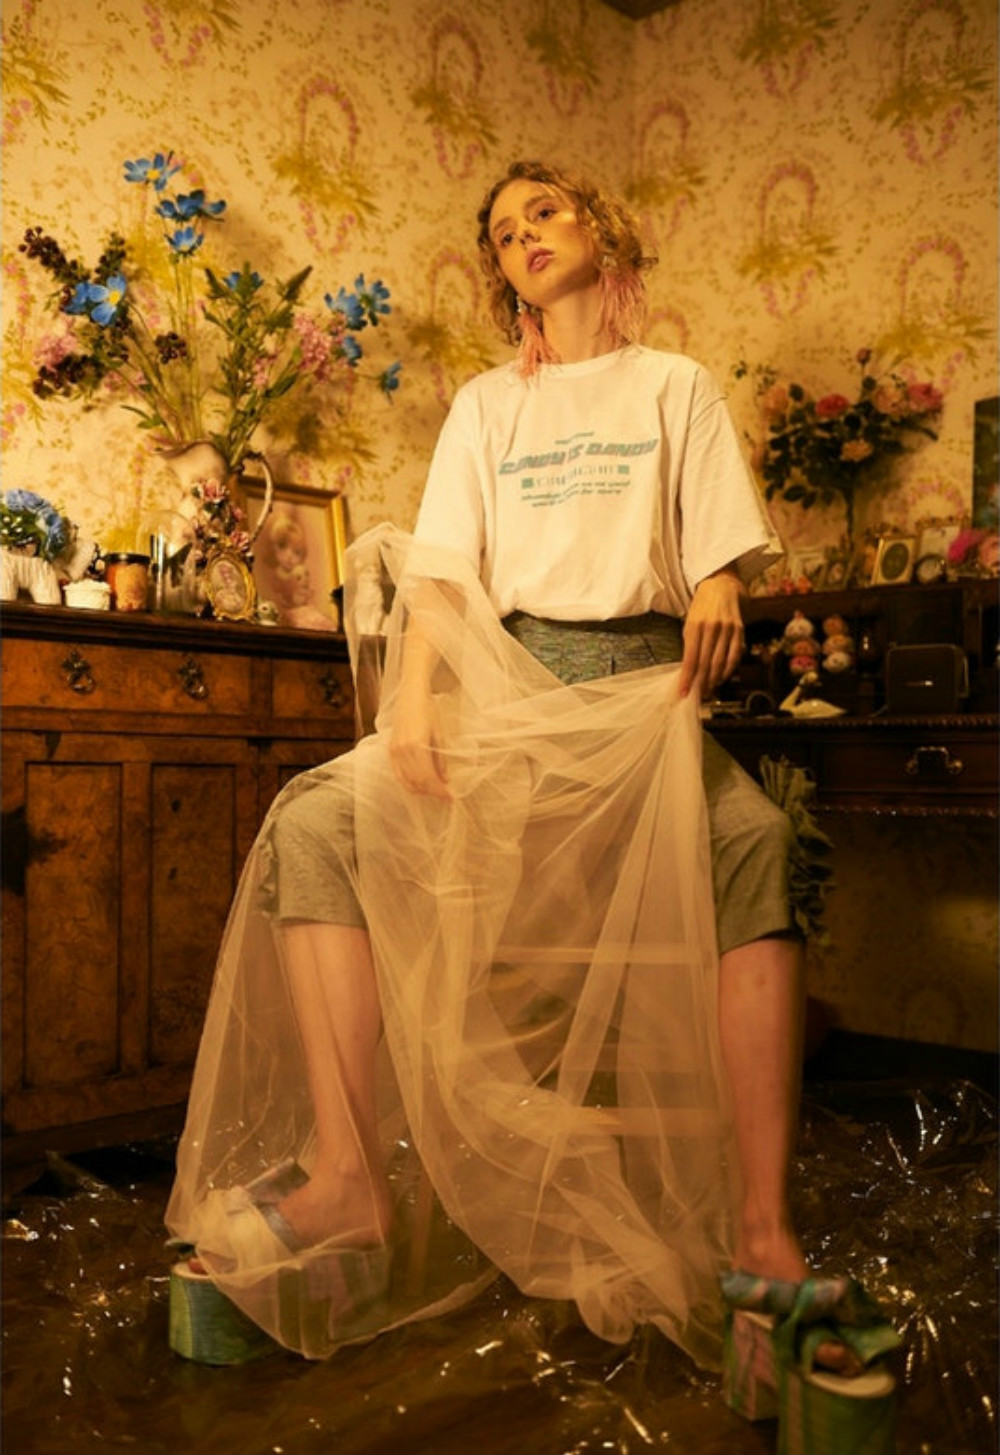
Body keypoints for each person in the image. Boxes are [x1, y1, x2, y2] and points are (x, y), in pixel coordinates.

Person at [166, 161, 899, 1435]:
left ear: (600, 232)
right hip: (510, 691)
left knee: (753, 842)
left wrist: (722, 583)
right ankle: (345, 1177)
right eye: (504, 233)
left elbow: (718, 552)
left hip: (642, 692)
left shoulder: (673, 386)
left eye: (545, 213)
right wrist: (414, 702)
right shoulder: (484, 408)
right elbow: (443, 579)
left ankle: (762, 1234)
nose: (525, 237)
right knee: (316, 818)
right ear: (500, 274)